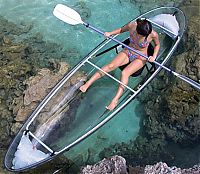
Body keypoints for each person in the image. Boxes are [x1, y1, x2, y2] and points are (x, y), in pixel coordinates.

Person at [80, 18, 160, 110]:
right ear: (137, 28)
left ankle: (115, 100)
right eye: (140, 34)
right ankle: (88, 83)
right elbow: (121, 30)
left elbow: (157, 45)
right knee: (111, 66)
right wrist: (110, 33)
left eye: (144, 36)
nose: (141, 37)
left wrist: (153, 56)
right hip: (128, 50)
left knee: (125, 73)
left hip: (141, 57)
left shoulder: (153, 34)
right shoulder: (132, 25)